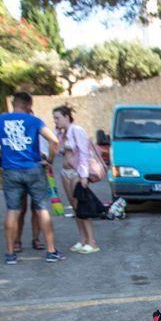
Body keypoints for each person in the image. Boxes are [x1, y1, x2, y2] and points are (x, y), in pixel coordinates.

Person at [0, 91, 61, 264]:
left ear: (13, 104)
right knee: (41, 209)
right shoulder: (34, 121)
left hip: (11, 171)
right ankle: (51, 251)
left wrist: (6, 155)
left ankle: (10, 253)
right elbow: (54, 141)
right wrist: (49, 160)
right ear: (29, 105)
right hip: (33, 168)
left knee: (13, 211)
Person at [53, 106, 100, 254]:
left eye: (57, 118)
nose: (55, 121)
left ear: (67, 117)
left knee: (82, 206)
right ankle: (82, 239)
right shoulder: (63, 134)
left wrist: (84, 175)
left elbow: (84, 153)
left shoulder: (77, 130)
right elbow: (56, 149)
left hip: (76, 173)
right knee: (74, 207)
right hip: (65, 171)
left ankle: (92, 241)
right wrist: (57, 133)